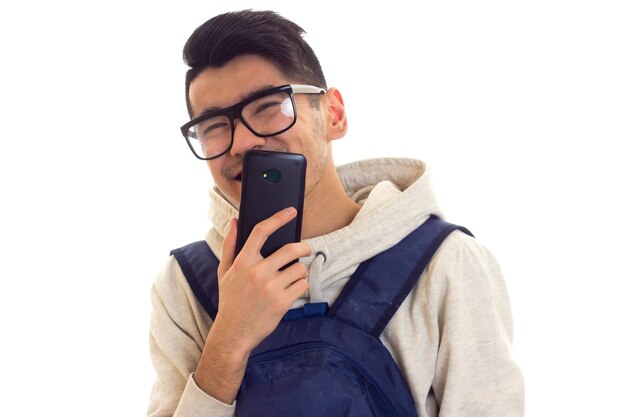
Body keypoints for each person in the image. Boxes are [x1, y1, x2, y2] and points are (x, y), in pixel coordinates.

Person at [147, 9, 524, 417]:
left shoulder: (446, 263)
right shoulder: (185, 284)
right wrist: (229, 339)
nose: (241, 142)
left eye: (267, 106)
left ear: (334, 115)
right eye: (214, 126)